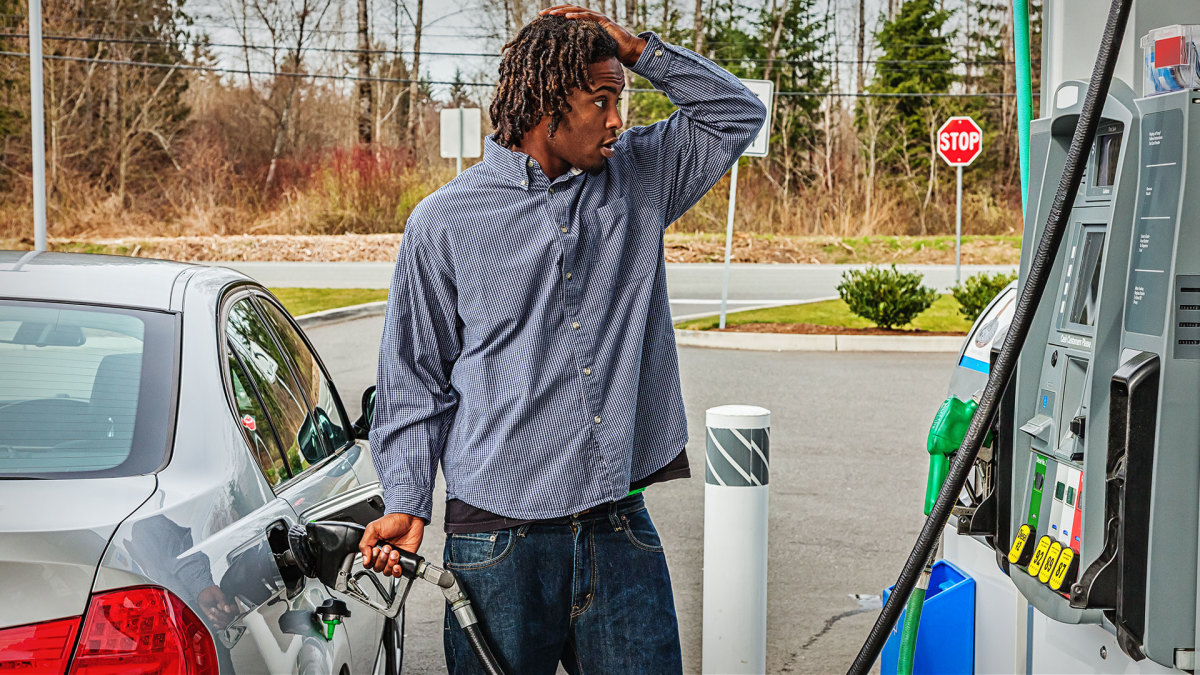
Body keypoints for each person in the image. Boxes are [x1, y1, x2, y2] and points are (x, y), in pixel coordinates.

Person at [360, 5, 766, 673]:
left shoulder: (640, 178)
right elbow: (414, 379)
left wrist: (638, 51)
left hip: (616, 525)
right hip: (497, 542)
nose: (617, 120)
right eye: (601, 100)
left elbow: (736, 114)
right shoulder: (442, 223)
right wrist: (406, 500)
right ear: (546, 104)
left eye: (619, 101)